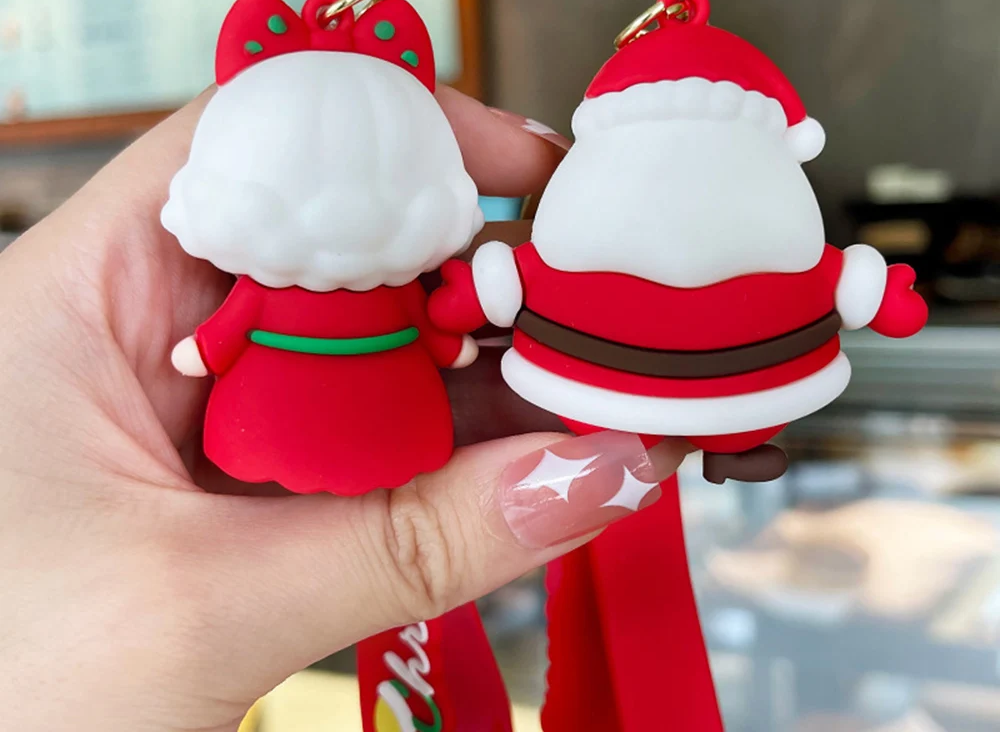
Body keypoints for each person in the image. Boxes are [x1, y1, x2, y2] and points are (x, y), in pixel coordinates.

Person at [0, 87, 687, 732]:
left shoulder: (380, 282)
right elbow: (228, 329)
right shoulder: (276, 285)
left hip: (387, 412)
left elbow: (409, 328)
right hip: (272, 418)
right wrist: (206, 351)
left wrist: (445, 347)